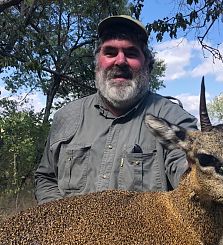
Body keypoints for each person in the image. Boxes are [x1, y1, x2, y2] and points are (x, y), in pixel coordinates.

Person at [35, 15, 198, 204]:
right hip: (69, 232)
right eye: (110, 52)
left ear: (147, 64)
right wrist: (63, 221)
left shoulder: (174, 119)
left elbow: (189, 175)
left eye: (131, 53)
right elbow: (46, 178)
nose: (120, 61)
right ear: (97, 63)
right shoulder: (66, 116)